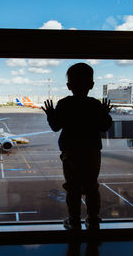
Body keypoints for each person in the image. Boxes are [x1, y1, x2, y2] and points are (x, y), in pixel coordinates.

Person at [42, 62, 112, 231]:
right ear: (92, 85)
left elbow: (56, 126)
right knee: (91, 186)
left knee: (72, 187)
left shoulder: (65, 104)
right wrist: (104, 113)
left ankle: (74, 220)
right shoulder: (94, 105)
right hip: (92, 151)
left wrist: (50, 114)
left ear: (68, 86)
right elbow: (105, 126)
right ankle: (93, 220)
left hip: (71, 151)